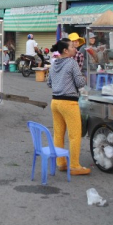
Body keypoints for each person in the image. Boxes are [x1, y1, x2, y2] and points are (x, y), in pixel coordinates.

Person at [47, 40, 90, 176]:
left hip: (55, 102)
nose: (75, 49)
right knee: (74, 135)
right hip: (69, 103)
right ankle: (75, 165)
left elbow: (49, 83)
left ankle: (61, 163)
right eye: (72, 47)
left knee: (59, 134)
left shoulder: (54, 64)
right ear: (65, 50)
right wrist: (85, 78)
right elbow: (80, 82)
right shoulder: (72, 63)